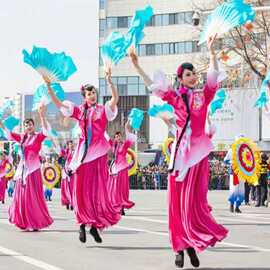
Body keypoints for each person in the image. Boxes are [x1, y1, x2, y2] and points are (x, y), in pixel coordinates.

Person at [129, 35, 228, 268]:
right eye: (188, 74)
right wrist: (136, 66)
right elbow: (154, 88)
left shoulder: (204, 95)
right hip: (181, 157)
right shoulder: (176, 97)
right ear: (181, 79)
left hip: (199, 154)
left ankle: (192, 242)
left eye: (194, 73)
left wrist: (212, 53)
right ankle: (180, 248)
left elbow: (214, 79)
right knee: (177, 202)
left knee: (194, 202)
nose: (193, 76)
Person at [45, 68, 121, 244]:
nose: (92, 95)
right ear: (84, 97)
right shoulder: (79, 111)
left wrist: (110, 82)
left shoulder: (103, 110)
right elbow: (59, 105)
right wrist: (49, 88)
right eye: (89, 93)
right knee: (80, 191)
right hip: (82, 158)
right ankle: (81, 224)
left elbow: (115, 100)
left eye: (94, 92)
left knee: (97, 191)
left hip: (99, 155)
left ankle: (94, 226)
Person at [0, 104, 53, 231]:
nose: (28, 127)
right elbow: (8, 133)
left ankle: (35, 221)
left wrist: (41, 115)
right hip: (22, 171)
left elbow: (46, 130)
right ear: (24, 127)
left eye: (30, 124)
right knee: (21, 195)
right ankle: (23, 220)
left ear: (33, 126)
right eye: (26, 125)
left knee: (33, 196)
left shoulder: (38, 137)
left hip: (33, 171)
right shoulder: (22, 137)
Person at [106, 121, 136, 216]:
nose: (118, 138)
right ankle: (116, 206)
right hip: (115, 169)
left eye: (119, 136)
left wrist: (127, 126)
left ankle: (121, 207)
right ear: (114, 138)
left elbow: (129, 136)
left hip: (122, 169)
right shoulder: (113, 145)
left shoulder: (124, 145)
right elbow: (105, 136)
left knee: (122, 189)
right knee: (115, 189)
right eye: (116, 136)